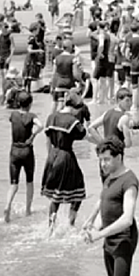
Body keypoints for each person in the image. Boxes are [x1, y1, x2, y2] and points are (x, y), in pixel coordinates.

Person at [82, 138, 139, 276]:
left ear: (119, 157)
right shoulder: (109, 178)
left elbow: (127, 219)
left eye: (107, 159)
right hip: (109, 239)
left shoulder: (129, 181)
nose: (103, 164)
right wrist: (90, 221)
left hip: (123, 240)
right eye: (101, 160)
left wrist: (99, 235)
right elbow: (103, 201)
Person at [41, 98, 89, 229]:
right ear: (75, 108)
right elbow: (86, 135)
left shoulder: (51, 117)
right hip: (66, 156)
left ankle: (51, 226)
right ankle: (70, 223)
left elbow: (47, 140)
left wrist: (50, 157)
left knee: (56, 194)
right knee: (79, 190)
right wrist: (101, 143)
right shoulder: (72, 121)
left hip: (52, 155)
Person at [4, 90, 43, 222]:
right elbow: (41, 125)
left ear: (18, 103)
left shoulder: (13, 115)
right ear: (30, 104)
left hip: (14, 151)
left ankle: (7, 205)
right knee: (29, 181)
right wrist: (33, 135)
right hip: (27, 152)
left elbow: (14, 122)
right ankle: (27, 210)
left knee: (13, 184)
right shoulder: (31, 116)